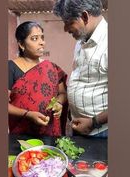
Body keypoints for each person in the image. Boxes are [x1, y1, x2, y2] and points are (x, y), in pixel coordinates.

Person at [53, 0, 108, 137]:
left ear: (84, 17)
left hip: (100, 130)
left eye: (69, 22)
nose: (66, 29)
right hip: (79, 125)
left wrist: (93, 122)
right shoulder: (81, 41)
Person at [8, 21, 68, 136]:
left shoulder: (51, 67)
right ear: (21, 44)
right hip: (21, 133)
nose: (42, 43)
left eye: (42, 38)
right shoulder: (10, 68)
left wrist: (58, 103)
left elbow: (62, 93)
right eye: (34, 38)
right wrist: (28, 114)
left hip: (49, 131)